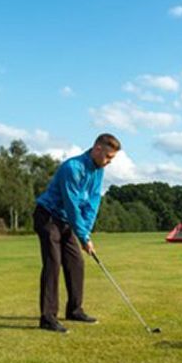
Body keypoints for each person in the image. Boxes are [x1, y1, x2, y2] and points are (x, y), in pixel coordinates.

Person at [33, 134, 120, 333]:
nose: (108, 162)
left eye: (112, 159)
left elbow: (93, 202)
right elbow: (72, 205)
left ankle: (74, 309)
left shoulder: (98, 170)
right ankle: (47, 317)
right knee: (53, 263)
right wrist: (82, 236)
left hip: (66, 221)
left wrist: (86, 233)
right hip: (48, 217)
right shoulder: (72, 168)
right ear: (97, 149)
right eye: (108, 157)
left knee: (76, 262)